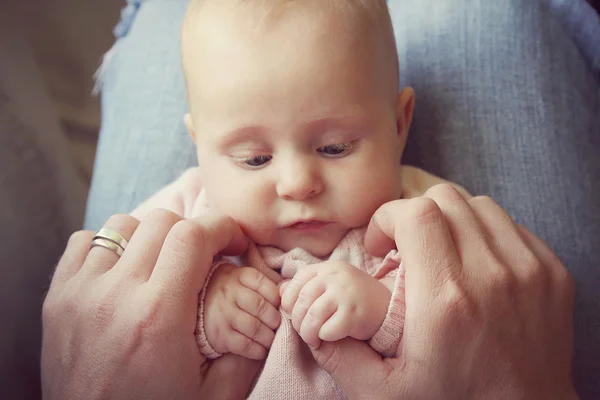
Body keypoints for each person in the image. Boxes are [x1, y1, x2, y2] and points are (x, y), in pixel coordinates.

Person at [43, 0, 600, 398]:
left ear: (400, 123)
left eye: (335, 147)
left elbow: (466, 320)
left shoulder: (419, 208)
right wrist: (206, 318)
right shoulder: (188, 211)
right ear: (199, 146)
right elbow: (131, 323)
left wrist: (382, 311)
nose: (296, 183)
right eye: (253, 159)